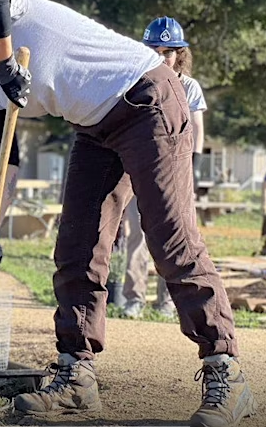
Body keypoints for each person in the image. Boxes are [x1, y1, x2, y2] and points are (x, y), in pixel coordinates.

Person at [0, 0, 254, 425]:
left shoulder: (5, 11)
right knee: (77, 246)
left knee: (169, 237)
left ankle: (226, 370)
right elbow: (5, 160)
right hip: (95, 127)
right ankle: (76, 377)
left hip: (145, 97)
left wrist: (5, 62)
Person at [120, 16, 207, 320]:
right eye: (155, 50)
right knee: (135, 236)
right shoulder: (136, 81)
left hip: (176, 169)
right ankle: (133, 298)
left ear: (179, 54)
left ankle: (168, 301)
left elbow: (196, 126)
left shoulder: (189, 86)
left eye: (168, 51)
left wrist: (192, 166)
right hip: (139, 168)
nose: (162, 56)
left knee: (175, 235)